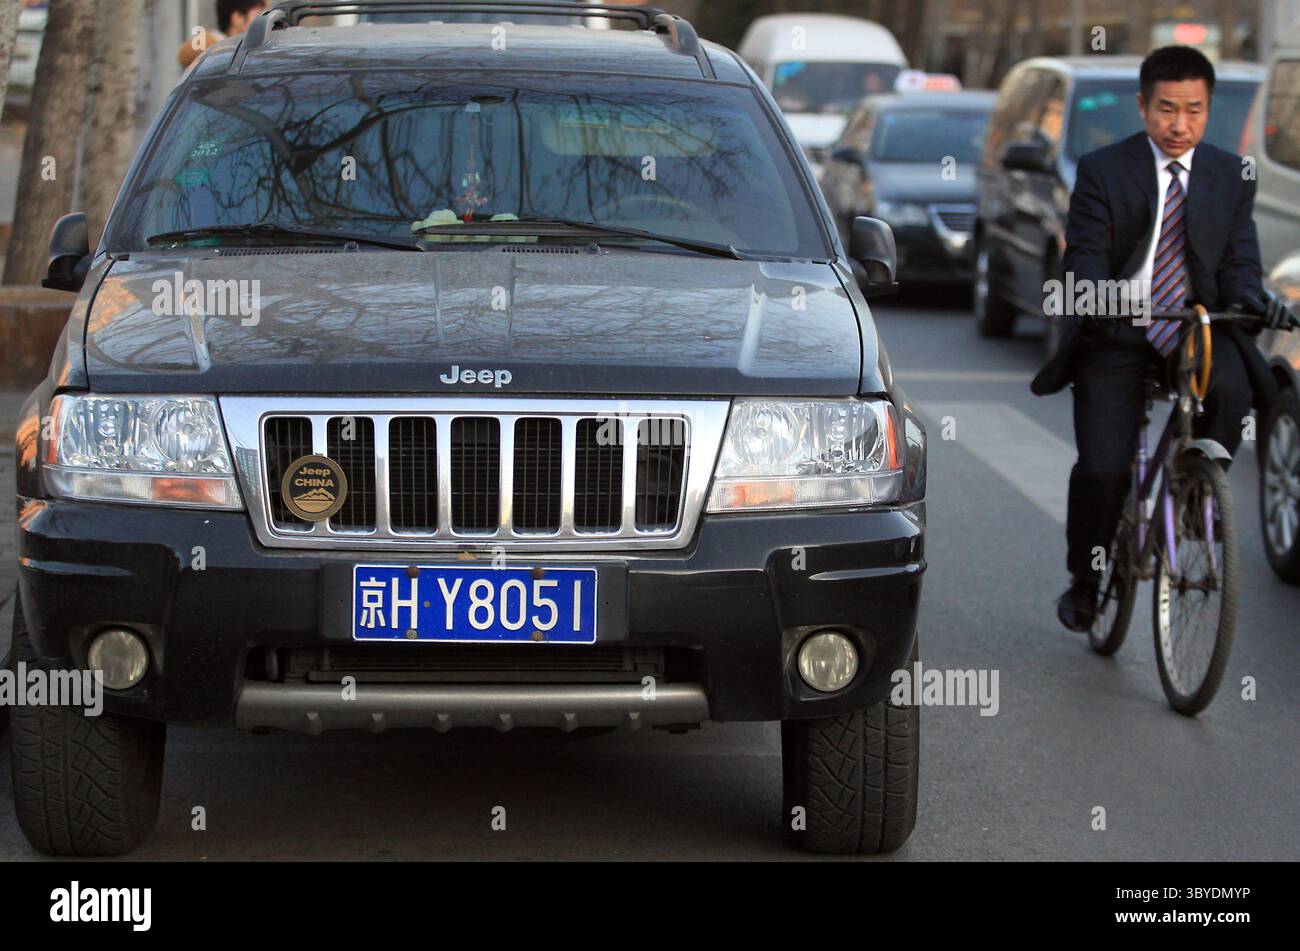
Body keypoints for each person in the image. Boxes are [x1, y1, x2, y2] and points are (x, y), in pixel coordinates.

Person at [1030, 46, 1295, 632]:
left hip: (1195, 321)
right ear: (1143, 106)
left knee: (1234, 386)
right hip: (1117, 327)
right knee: (1102, 467)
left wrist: (1253, 297)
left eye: (1195, 111)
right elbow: (1088, 259)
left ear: (1209, 109)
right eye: (1167, 110)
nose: (1180, 125)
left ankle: (1198, 494)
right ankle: (1086, 578)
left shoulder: (1230, 174)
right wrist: (1098, 296)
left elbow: (1239, 261)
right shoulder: (1104, 170)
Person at [178, 0, 268, 69]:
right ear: (238, 17)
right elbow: (186, 54)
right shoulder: (211, 47)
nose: (262, 20)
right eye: (257, 15)